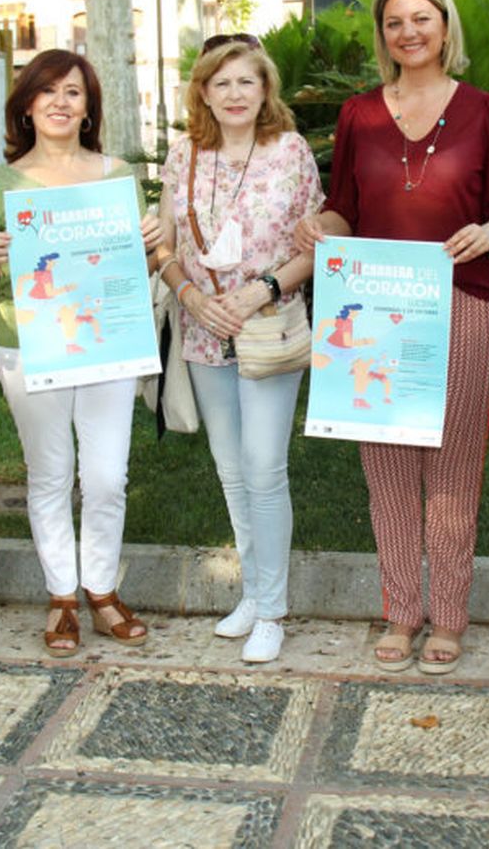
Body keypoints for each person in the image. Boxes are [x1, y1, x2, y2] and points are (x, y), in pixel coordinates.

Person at [295, 0, 489, 674]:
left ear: (445, 27)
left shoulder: (483, 109)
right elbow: (345, 209)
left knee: (452, 471)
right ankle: (401, 611)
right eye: (395, 21)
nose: (409, 32)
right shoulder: (359, 114)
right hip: (373, 311)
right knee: (388, 468)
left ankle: (449, 616)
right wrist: (317, 229)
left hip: (463, 301)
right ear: (383, 35)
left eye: (422, 18)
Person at [0, 49, 162, 656]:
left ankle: (101, 590)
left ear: (88, 107)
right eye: (47, 91)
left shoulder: (117, 176)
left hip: (107, 341)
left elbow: (137, 267)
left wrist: (152, 245)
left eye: (73, 92)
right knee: (49, 475)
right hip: (29, 346)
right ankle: (61, 598)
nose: (59, 102)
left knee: (105, 477)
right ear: (26, 104)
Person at [153, 37, 323, 664]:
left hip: (268, 324)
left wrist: (262, 290)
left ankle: (274, 609)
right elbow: (164, 246)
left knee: (264, 467)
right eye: (220, 83)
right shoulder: (183, 156)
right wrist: (189, 295)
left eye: (246, 83)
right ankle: (253, 593)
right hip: (202, 329)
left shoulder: (290, 153)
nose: (233, 94)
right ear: (202, 90)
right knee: (230, 472)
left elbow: (314, 242)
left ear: (265, 90)